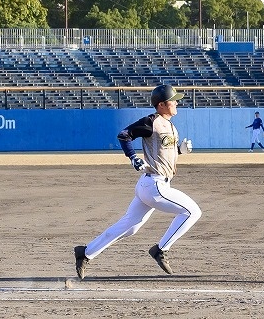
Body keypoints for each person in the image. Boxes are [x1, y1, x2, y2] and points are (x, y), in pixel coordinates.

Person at [74, 84, 202, 279]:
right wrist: (133, 157)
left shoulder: (170, 125)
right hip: (154, 186)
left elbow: (163, 153)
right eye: (173, 100)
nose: (177, 103)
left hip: (149, 185)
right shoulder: (152, 121)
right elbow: (124, 135)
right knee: (192, 212)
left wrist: (179, 151)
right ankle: (161, 250)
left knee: (130, 226)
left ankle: (85, 252)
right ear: (161, 104)